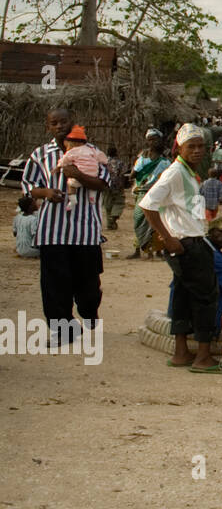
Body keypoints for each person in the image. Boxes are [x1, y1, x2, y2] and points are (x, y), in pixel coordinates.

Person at [139, 123, 222, 373]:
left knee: (182, 296)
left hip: (190, 240)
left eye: (201, 146)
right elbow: (148, 205)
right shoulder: (175, 172)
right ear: (180, 148)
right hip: (187, 243)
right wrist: (166, 237)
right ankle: (203, 357)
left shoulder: (188, 173)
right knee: (205, 298)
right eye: (191, 147)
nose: (197, 151)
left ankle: (181, 353)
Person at [20, 108, 111, 342]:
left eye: (64, 121)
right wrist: (46, 192)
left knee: (89, 286)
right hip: (52, 230)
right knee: (54, 286)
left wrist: (78, 175)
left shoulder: (92, 152)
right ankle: (64, 329)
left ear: (73, 122)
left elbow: (104, 183)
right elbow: (29, 187)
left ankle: (89, 310)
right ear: (48, 127)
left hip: (86, 231)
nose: (60, 126)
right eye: (54, 123)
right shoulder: (40, 154)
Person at [128, 129, 171, 259]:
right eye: (151, 139)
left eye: (155, 139)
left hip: (158, 194)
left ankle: (157, 250)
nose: (153, 142)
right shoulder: (143, 158)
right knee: (139, 219)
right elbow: (132, 175)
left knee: (157, 222)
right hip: (142, 193)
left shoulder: (165, 161)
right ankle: (139, 249)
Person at [56, 125, 109, 212]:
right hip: (93, 174)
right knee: (93, 186)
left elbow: (64, 160)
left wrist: (58, 167)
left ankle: (73, 200)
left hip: (79, 174)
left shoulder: (72, 151)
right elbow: (102, 158)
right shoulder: (92, 149)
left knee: (71, 185)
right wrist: (105, 161)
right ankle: (92, 197)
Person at [102, 145, 130, 230]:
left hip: (106, 185)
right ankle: (114, 216)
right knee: (119, 202)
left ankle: (110, 224)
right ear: (116, 153)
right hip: (118, 185)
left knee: (108, 204)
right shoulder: (120, 162)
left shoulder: (104, 162)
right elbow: (124, 174)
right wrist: (125, 184)